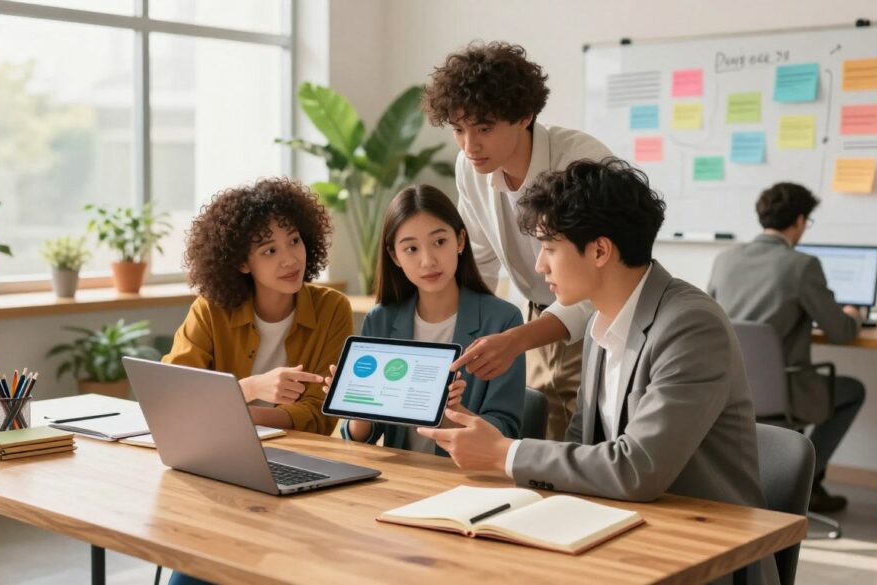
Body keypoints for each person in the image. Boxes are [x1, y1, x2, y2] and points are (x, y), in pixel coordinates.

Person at [418, 158, 775, 584]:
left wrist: (503, 453)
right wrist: (497, 450)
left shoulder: (690, 325)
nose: (539, 267)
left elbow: (637, 468)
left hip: (705, 559)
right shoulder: (600, 321)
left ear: (600, 251)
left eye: (550, 249)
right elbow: (581, 443)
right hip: (622, 536)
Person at [421, 41, 612, 440]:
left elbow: (603, 279)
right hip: (536, 319)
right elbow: (479, 261)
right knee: (540, 437)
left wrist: (515, 340)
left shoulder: (581, 163)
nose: (469, 145)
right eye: (459, 129)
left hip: (601, 321)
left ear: (524, 116)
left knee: (590, 446)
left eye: (484, 128)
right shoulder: (469, 168)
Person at [325, 185, 525, 454]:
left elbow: (507, 433)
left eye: (439, 242)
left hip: (466, 481)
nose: (428, 260)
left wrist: (451, 413)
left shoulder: (503, 320)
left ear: (460, 241)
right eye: (411, 249)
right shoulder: (381, 320)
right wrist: (357, 405)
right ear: (394, 256)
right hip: (401, 480)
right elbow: (360, 439)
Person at [708, 182, 865, 512]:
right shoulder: (802, 265)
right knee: (853, 390)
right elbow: (840, 332)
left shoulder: (725, 260)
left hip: (730, 390)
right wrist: (855, 313)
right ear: (799, 220)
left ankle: (805, 481)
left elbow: (709, 323)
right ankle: (803, 478)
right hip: (786, 393)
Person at [162, 177, 351, 436]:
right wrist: (250, 388)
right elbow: (173, 392)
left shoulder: (332, 307)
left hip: (297, 453)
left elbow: (321, 414)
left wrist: (239, 416)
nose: (290, 260)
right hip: (218, 447)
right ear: (242, 263)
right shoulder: (210, 310)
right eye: (270, 251)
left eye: (294, 241)